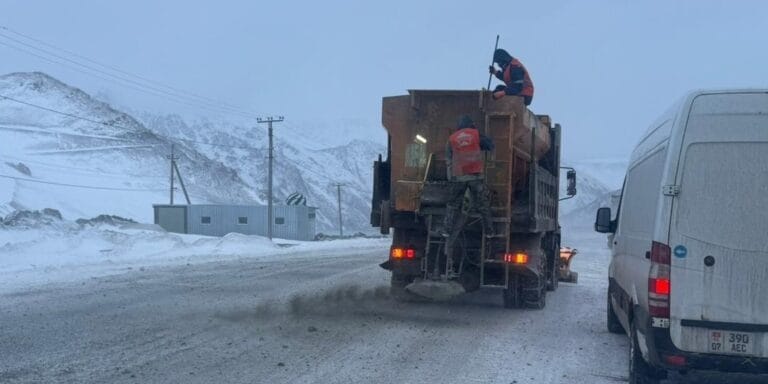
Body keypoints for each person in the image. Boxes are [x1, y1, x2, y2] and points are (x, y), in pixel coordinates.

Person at [442, 115, 495, 239]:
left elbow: (448, 159)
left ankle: (446, 230)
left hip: (458, 177)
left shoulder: (452, 138)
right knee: (483, 205)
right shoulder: (475, 135)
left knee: (453, 204)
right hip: (475, 176)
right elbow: (490, 145)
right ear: (471, 124)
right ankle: (489, 231)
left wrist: (450, 177)